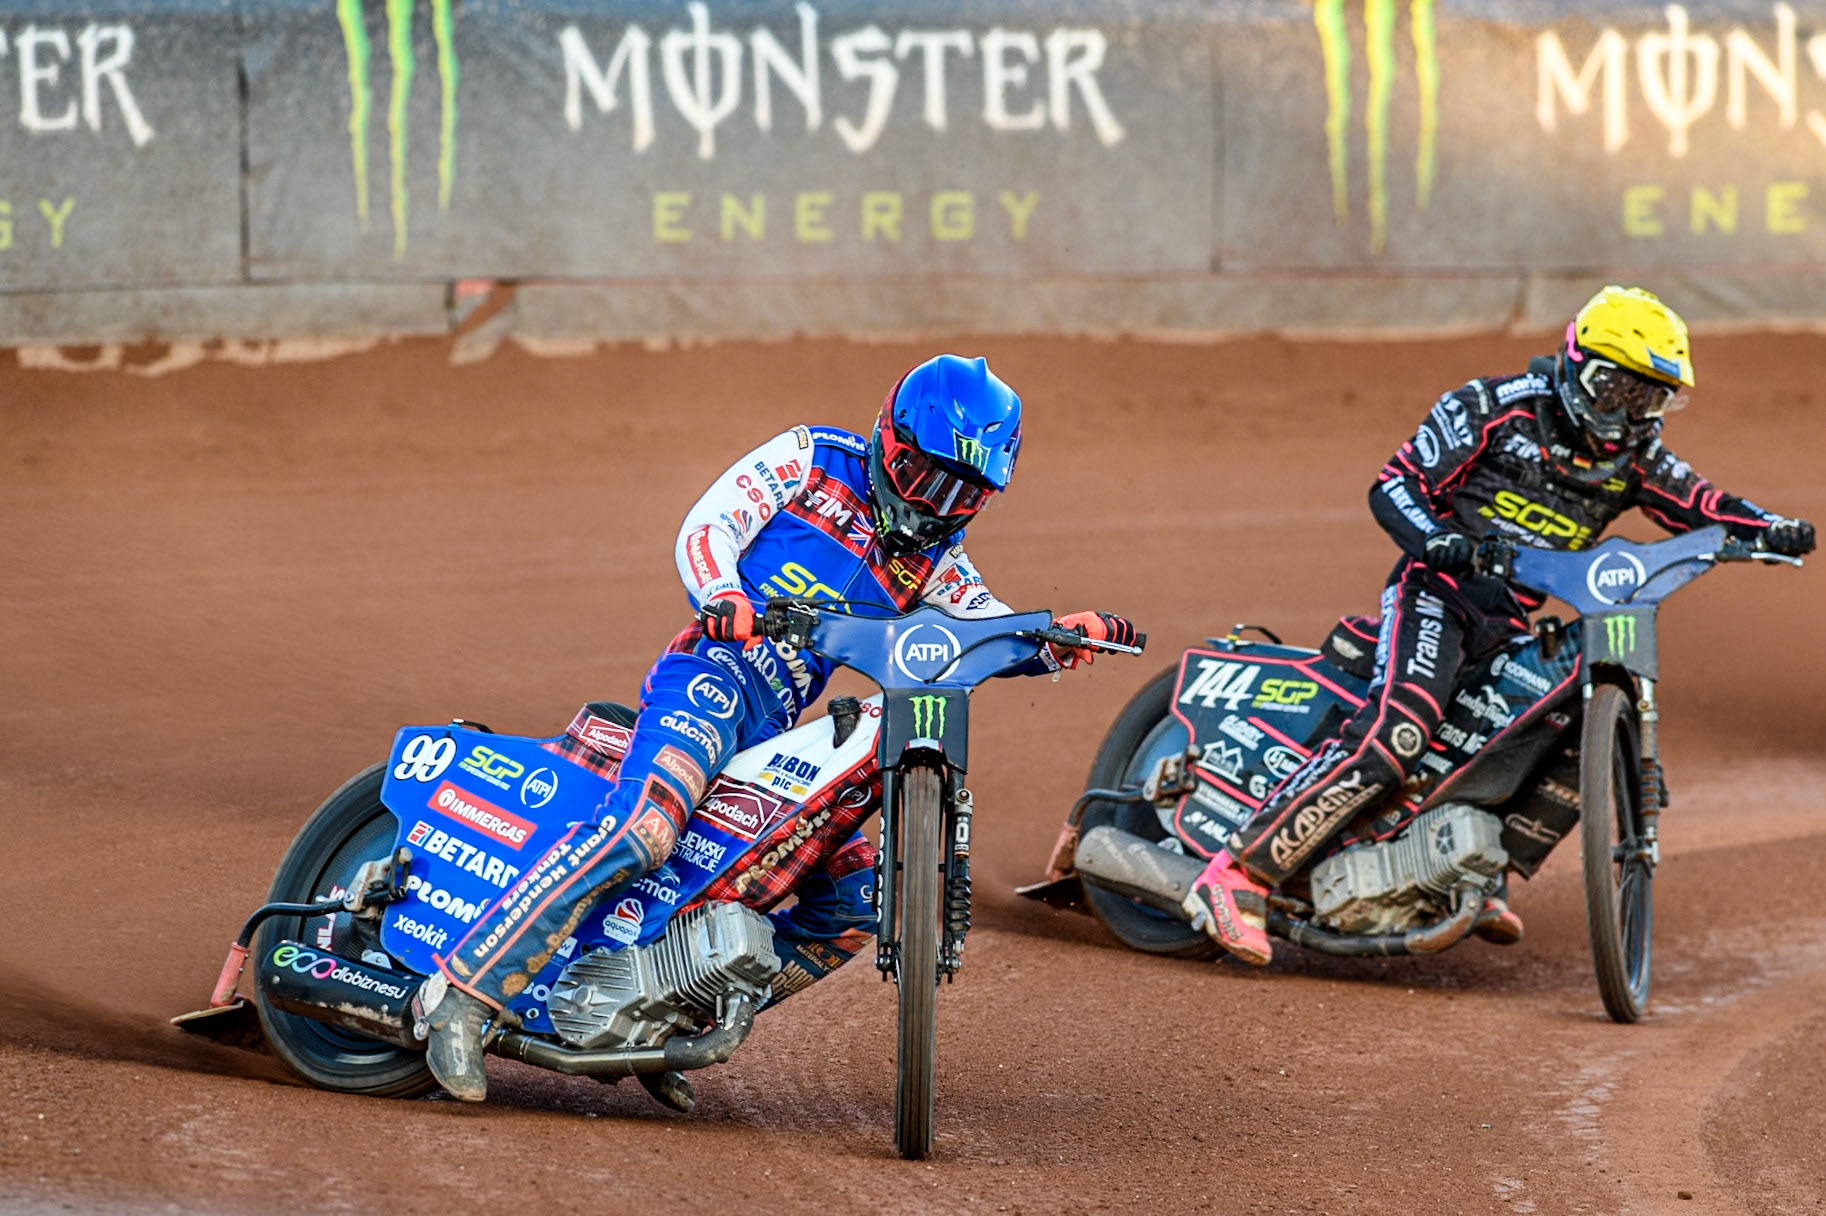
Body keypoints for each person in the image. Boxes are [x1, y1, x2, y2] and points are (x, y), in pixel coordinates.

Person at [416, 354, 1137, 1098]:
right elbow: (711, 524)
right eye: (925, 476)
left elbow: (978, 629)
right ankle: (462, 997)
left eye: (963, 492)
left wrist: (1056, 638)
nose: (936, 503)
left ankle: (665, 1023)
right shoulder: (812, 459)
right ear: (890, 440)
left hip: (776, 732)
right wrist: (723, 591)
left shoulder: (938, 564)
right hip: (711, 680)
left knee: (860, 904)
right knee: (648, 830)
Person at [1182, 286, 1817, 965]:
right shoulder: (1494, 405)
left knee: (1571, 717)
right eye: (1612, 388)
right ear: (1574, 363)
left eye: (1647, 397)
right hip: (1438, 594)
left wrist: (1771, 528)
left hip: (1511, 619)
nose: (1625, 412)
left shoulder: (1635, 461)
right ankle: (1236, 875)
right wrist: (1434, 540)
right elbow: (1395, 483)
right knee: (1399, 732)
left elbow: (1703, 504)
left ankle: (1478, 872)